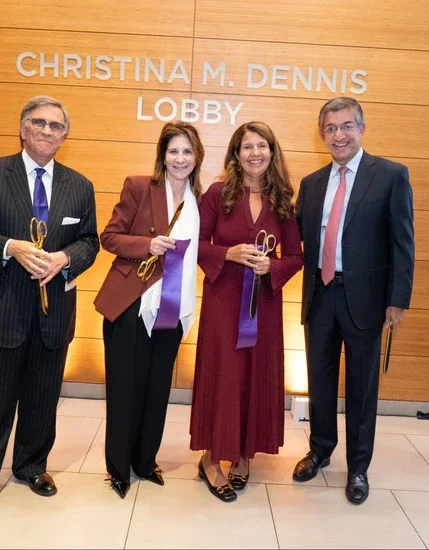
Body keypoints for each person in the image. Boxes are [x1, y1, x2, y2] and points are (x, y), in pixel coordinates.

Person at [0, 95, 99, 526]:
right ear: (22, 127)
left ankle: (31, 466)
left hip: (55, 316)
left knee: (42, 399)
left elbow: (90, 241)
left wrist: (64, 258)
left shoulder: (79, 185)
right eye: (39, 122)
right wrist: (9, 248)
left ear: (65, 136)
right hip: (2, 310)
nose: (47, 131)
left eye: (56, 126)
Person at [293, 97, 415, 505]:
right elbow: (294, 238)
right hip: (321, 294)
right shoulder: (311, 184)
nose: (338, 135)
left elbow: (403, 244)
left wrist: (397, 301)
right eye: (330, 128)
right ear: (322, 134)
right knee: (320, 381)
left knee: (362, 389)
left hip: (365, 300)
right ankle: (320, 450)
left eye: (346, 126)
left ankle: (359, 467)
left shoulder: (391, 176)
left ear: (361, 128)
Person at [190, 121, 303, 502]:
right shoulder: (218, 194)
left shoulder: (283, 199)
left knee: (255, 377)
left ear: (272, 151)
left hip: (266, 306)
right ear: (236, 154)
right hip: (223, 300)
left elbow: (297, 256)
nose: (255, 153)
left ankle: (242, 453)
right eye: (247, 147)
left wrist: (274, 267)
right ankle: (209, 458)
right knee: (223, 375)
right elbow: (195, 244)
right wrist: (228, 254)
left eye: (262, 145)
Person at [94, 122, 204, 499]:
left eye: (187, 151)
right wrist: (147, 243)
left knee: (157, 389)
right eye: (173, 151)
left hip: (173, 311)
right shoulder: (140, 187)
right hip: (131, 305)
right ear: (162, 155)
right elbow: (109, 237)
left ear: (196, 157)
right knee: (126, 389)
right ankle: (119, 468)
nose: (180, 158)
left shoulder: (200, 200)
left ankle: (145, 461)